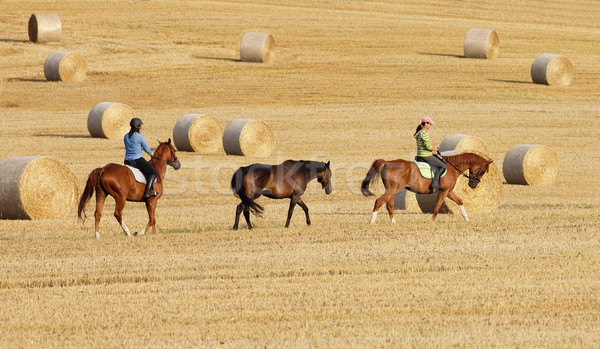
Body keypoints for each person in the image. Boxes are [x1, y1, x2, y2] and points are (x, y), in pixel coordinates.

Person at [124, 117, 158, 198]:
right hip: (137, 160)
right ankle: (148, 191)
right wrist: (151, 154)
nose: (141, 127)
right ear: (138, 127)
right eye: (140, 126)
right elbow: (146, 148)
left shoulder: (126, 136)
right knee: (153, 173)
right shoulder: (140, 137)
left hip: (127, 160)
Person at [414, 116, 446, 193]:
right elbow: (428, 147)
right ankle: (435, 184)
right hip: (426, 155)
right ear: (426, 124)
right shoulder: (424, 133)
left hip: (420, 154)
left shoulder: (419, 133)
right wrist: (436, 149)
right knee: (442, 166)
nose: (430, 126)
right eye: (430, 124)